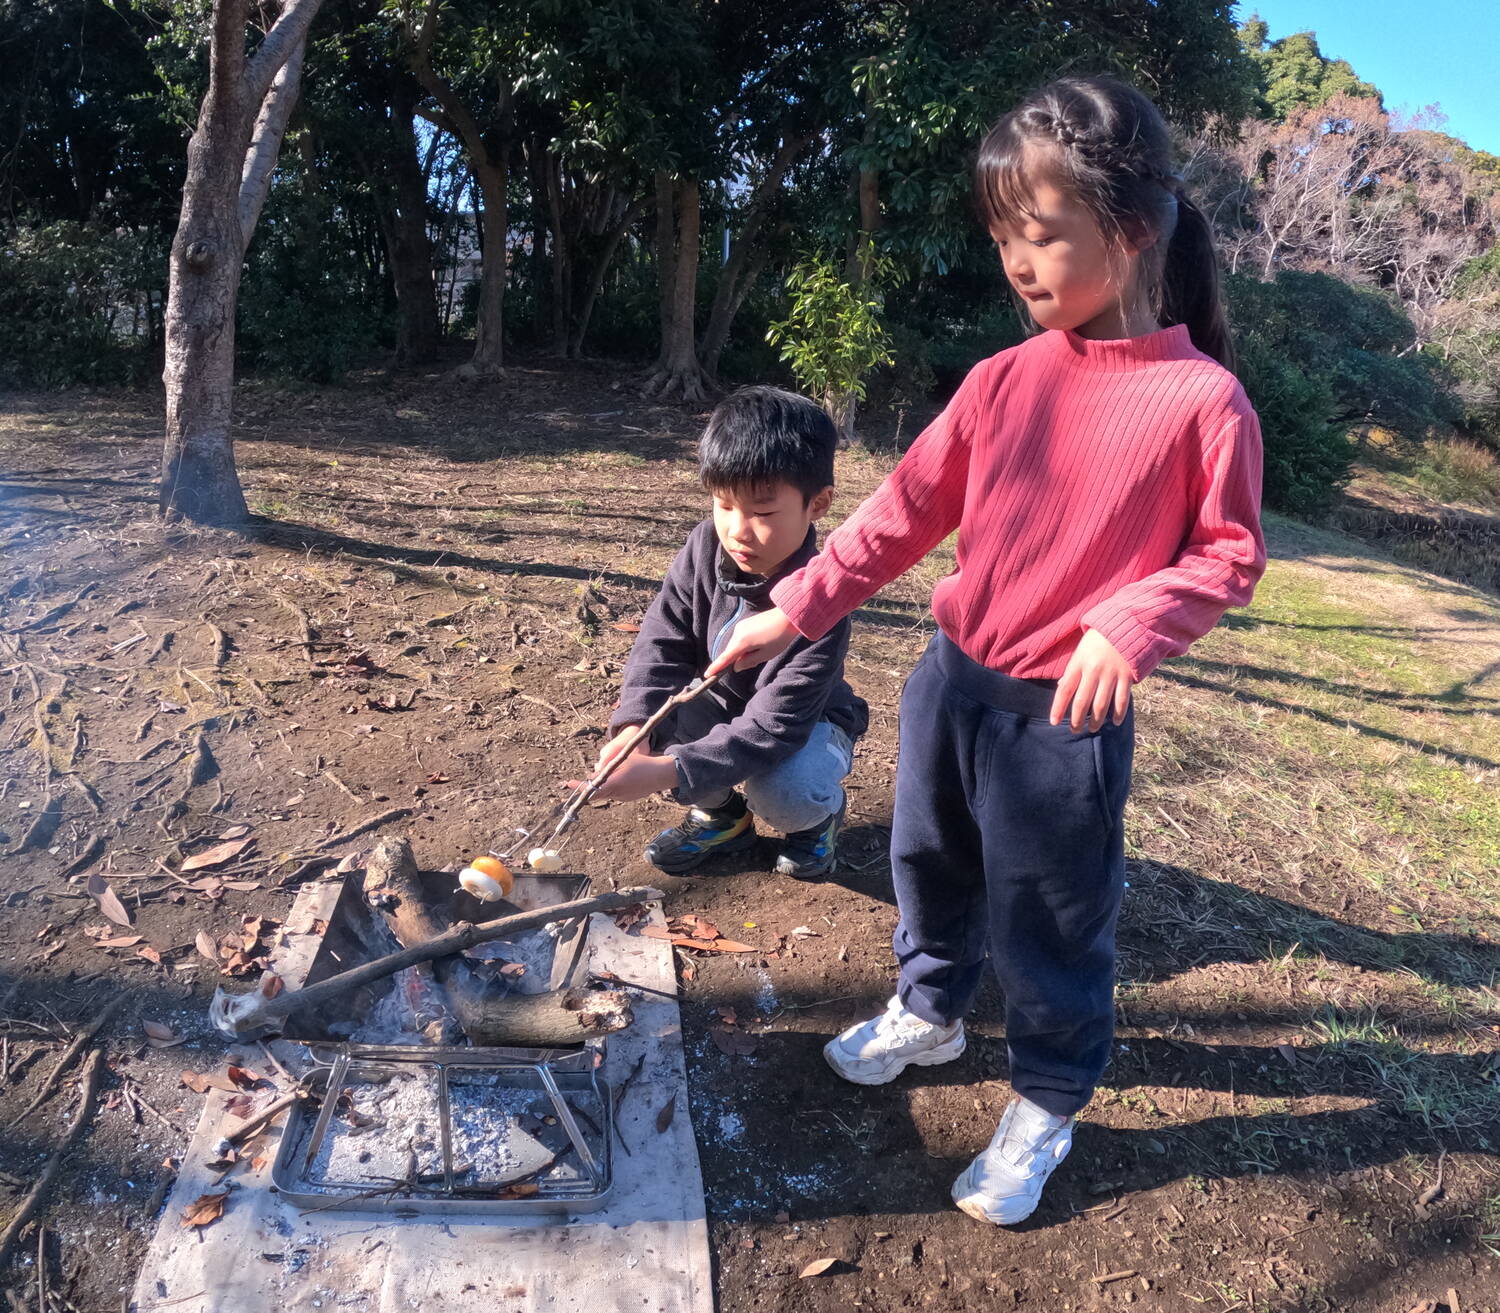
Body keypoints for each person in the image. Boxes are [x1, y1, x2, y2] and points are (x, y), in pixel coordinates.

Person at [707, 75, 1266, 1226]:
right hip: (950, 686)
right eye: (1004, 234)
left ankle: (1050, 1096)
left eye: (1042, 232)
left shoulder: (1203, 401)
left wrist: (1129, 620)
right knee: (927, 863)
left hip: (1063, 722)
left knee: (1050, 915)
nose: (1017, 260)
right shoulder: (1001, 380)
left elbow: (1228, 554)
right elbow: (900, 513)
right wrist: (794, 606)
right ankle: (931, 1010)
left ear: (1132, 228)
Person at [581, 385, 869, 879]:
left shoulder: (824, 602)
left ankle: (814, 823)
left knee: (784, 790)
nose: (738, 530)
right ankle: (723, 819)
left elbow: (774, 730)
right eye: (724, 504)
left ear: (818, 504)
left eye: (763, 512)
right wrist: (634, 732)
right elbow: (662, 642)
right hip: (718, 704)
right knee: (656, 727)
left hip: (804, 727)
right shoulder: (704, 547)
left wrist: (671, 772)